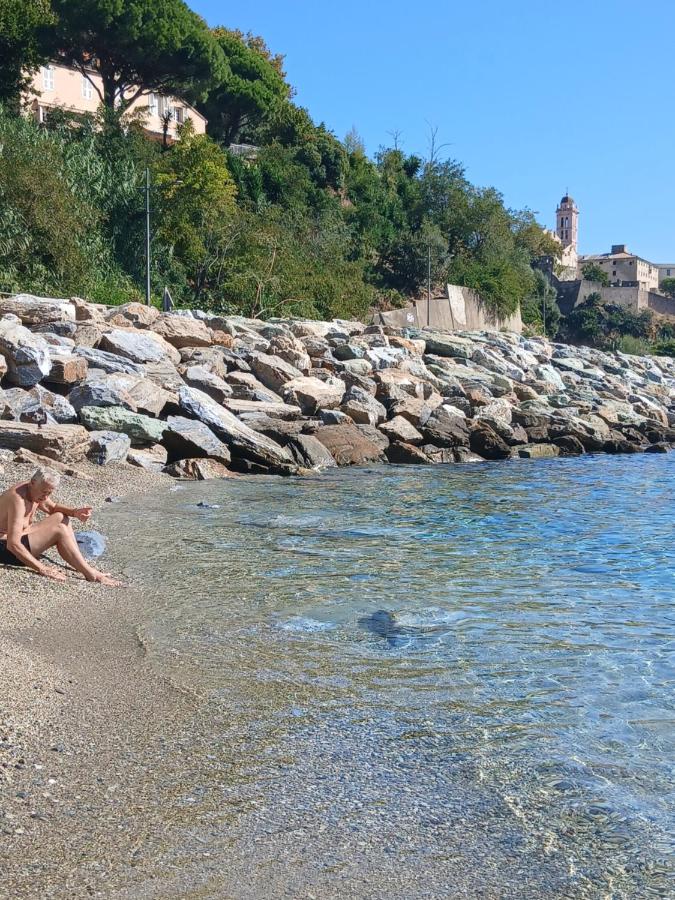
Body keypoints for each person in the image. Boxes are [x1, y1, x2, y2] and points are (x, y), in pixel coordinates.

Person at [0, 467, 121, 586]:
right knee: (60, 530)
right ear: (32, 483)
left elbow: (51, 507)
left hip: (19, 536)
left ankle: (82, 565)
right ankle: (91, 574)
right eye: (44, 492)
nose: (46, 497)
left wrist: (75, 512)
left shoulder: (34, 489)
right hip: (6, 548)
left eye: (49, 493)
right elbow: (13, 544)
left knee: (61, 517)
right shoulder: (18, 500)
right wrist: (42, 569)